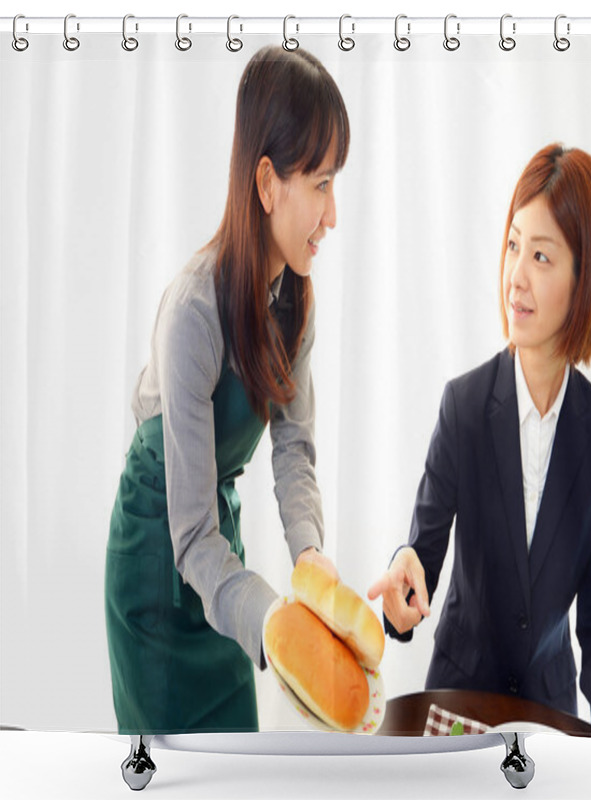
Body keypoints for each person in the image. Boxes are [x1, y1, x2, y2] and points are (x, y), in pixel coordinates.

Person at [105, 45, 348, 735]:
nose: (333, 217)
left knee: (236, 752)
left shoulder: (296, 297)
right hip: (159, 554)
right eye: (323, 184)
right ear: (268, 184)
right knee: (178, 765)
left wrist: (309, 557)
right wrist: (274, 621)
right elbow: (189, 538)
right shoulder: (194, 311)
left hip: (220, 550)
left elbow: (294, 446)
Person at [369, 144, 591, 737]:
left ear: (585, 276)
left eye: (541, 255)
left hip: (548, 716)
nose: (515, 275)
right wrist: (403, 575)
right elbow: (422, 554)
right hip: (453, 708)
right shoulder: (464, 406)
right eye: (513, 244)